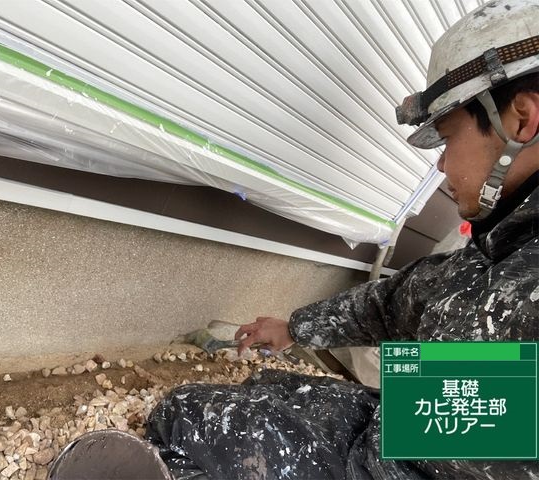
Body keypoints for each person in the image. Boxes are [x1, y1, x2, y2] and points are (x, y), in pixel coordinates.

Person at [146, 1, 539, 478]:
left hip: (389, 464)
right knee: (264, 387)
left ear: (521, 121)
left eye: (449, 138)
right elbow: (397, 302)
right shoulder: (503, 247)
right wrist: (295, 328)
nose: (441, 166)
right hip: (406, 429)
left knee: (182, 418)